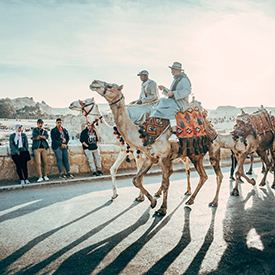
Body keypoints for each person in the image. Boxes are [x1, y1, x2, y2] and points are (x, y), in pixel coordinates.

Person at [150, 62, 192, 140]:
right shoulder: (176, 79)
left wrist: (174, 93)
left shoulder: (184, 80)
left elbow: (187, 91)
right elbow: (170, 93)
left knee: (169, 108)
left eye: (172, 69)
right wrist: (164, 89)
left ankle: (174, 131)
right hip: (175, 100)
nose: (171, 71)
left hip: (181, 103)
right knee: (160, 102)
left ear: (177, 70)